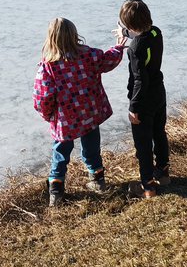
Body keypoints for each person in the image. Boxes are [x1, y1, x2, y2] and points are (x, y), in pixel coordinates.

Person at [33, 17, 126, 206]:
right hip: (89, 113)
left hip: (66, 120)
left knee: (60, 153)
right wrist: (117, 48)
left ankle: (56, 192)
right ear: (75, 35)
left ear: (51, 39)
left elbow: (43, 98)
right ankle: (98, 181)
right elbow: (107, 61)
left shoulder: (48, 66)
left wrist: (47, 115)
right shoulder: (89, 55)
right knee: (92, 148)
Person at [118, 0, 169, 199]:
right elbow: (142, 36)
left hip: (143, 101)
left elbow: (139, 80)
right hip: (159, 94)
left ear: (129, 25)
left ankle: (148, 186)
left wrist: (134, 107)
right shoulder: (156, 32)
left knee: (143, 144)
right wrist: (124, 33)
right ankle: (163, 172)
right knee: (159, 133)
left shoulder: (134, 49)